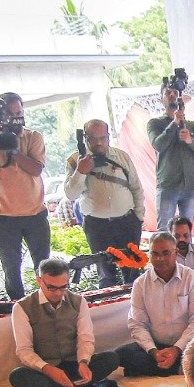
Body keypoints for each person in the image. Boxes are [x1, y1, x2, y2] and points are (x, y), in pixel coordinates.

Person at [0, 92, 52, 299]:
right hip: (4, 217)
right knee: (11, 269)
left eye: (19, 112)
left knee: (44, 266)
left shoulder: (33, 136)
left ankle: (48, 305)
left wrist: (13, 148)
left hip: (35, 214)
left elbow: (36, 169)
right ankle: (17, 307)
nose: (15, 118)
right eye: (10, 113)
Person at [9, 256, 120, 387]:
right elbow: (24, 350)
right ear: (39, 281)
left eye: (63, 287)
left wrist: (83, 362)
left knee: (112, 358)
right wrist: (48, 369)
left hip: (74, 365)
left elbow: (85, 338)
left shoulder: (78, 301)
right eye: (52, 287)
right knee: (18, 376)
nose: (58, 293)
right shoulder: (22, 307)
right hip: (46, 368)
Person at [99, 232, 194, 378]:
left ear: (175, 253)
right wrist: (154, 352)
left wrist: (176, 350)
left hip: (186, 346)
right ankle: (179, 368)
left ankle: (163, 367)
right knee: (122, 354)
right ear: (149, 255)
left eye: (165, 253)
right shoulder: (141, 284)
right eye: (155, 254)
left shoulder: (192, 278)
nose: (160, 259)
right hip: (156, 347)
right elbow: (137, 324)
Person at [64, 117, 144, 288]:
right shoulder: (74, 160)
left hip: (127, 222)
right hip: (97, 225)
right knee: (106, 274)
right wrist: (80, 172)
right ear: (85, 138)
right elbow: (71, 194)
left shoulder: (121, 156)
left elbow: (136, 187)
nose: (98, 143)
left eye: (102, 138)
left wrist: (139, 216)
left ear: (108, 137)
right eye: (93, 138)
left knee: (132, 271)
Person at [147, 82, 194, 227]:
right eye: (167, 93)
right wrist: (174, 123)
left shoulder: (191, 126)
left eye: (175, 93)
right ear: (161, 99)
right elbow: (158, 144)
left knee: (186, 230)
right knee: (164, 230)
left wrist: (190, 140)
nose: (172, 96)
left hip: (190, 186)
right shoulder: (155, 124)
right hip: (168, 185)